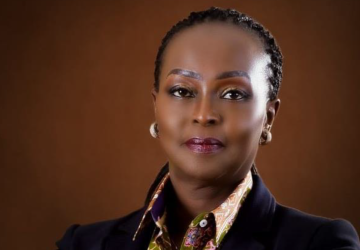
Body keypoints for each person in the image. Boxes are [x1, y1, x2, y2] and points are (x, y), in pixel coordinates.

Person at [56, 7, 360, 250]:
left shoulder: (320, 243)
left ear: (268, 117)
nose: (204, 115)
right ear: (156, 107)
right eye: (182, 91)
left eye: (233, 94)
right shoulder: (84, 244)